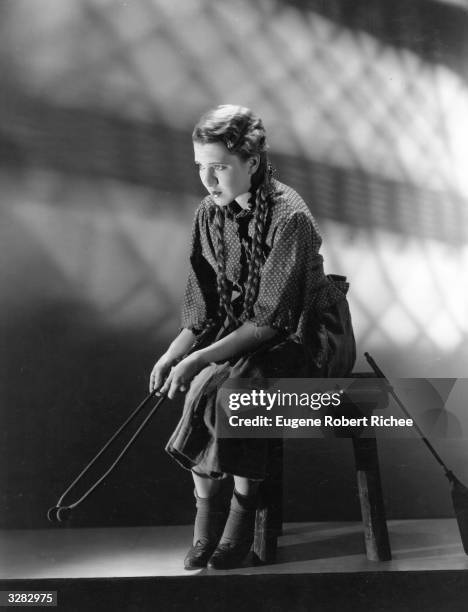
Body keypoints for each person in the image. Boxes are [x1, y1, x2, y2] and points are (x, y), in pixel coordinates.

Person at [149, 104, 356, 570]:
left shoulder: (290, 216)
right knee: (201, 390)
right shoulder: (209, 213)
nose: (208, 180)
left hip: (308, 337)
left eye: (219, 167)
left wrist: (200, 360)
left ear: (253, 163)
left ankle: (241, 515)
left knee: (236, 394)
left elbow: (274, 321)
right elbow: (202, 308)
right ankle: (206, 518)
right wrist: (175, 353)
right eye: (201, 167)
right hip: (248, 334)